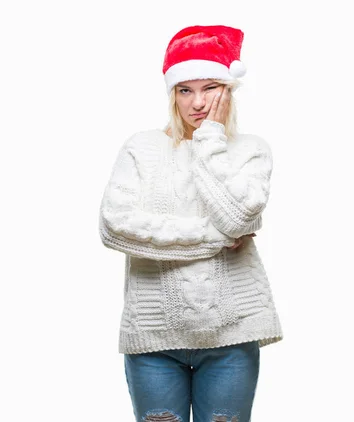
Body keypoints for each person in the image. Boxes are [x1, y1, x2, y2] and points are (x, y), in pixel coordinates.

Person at [98, 25, 283, 422]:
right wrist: (214, 236)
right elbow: (115, 226)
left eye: (210, 88)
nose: (197, 102)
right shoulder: (141, 147)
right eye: (185, 90)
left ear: (229, 90)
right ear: (172, 95)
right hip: (153, 338)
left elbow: (238, 216)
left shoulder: (251, 150)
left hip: (232, 335)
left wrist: (210, 139)